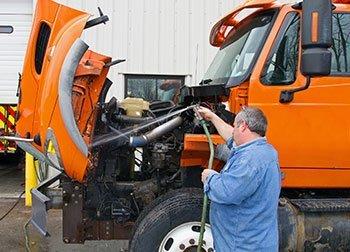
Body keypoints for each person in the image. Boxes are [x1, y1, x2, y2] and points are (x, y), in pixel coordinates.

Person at [197, 106, 281, 252]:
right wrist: (212, 117)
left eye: (235, 126)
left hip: (242, 245)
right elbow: (232, 136)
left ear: (243, 126)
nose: (233, 129)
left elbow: (227, 192)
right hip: (255, 241)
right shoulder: (262, 150)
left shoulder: (250, 160)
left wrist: (210, 178)